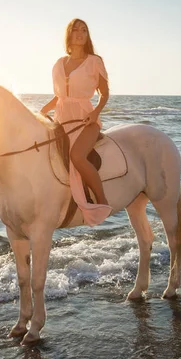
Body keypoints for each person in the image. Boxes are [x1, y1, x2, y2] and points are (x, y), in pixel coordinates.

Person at [40, 18, 112, 226]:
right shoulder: (58, 64)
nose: (80, 33)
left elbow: (104, 94)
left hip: (86, 118)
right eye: (75, 30)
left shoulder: (94, 61)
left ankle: (102, 201)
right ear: (69, 35)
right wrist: (43, 110)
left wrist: (95, 113)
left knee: (77, 155)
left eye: (84, 30)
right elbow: (59, 96)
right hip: (62, 118)